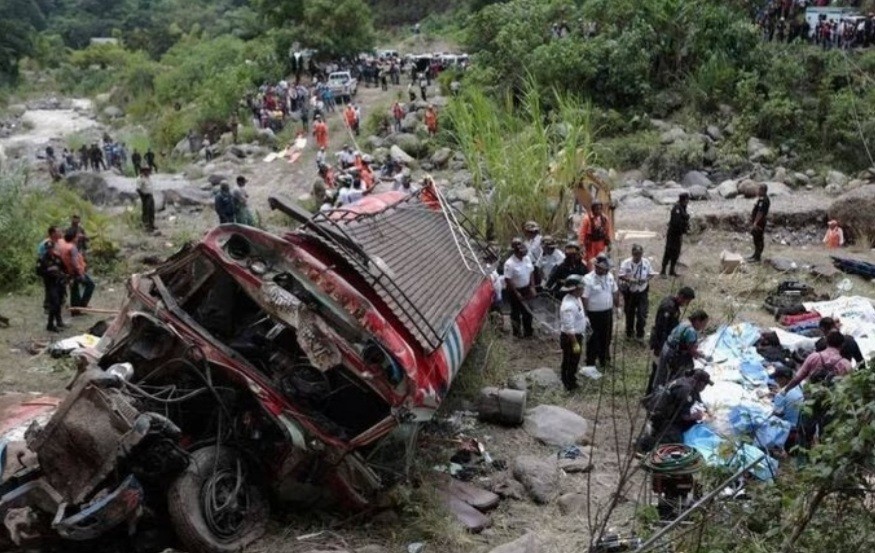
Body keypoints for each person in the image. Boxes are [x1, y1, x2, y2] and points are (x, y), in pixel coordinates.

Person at [647, 287, 696, 393]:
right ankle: (651, 393)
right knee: (657, 370)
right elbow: (662, 329)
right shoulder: (668, 307)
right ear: (681, 296)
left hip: (664, 342)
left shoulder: (674, 306)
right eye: (686, 301)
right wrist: (660, 347)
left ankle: (653, 392)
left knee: (660, 370)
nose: (686, 304)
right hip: (660, 343)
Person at [647, 369, 713, 445]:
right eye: (704, 385)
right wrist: (696, 416)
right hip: (662, 418)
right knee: (677, 442)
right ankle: (646, 442)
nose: (704, 387)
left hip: (667, 413)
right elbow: (685, 416)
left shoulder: (688, 382)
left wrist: (708, 412)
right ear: (699, 383)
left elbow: (699, 400)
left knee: (693, 425)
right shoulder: (685, 390)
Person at [652, 309, 710, 391]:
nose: (703, 327)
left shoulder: (684, 323)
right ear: (697, 321)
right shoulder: (691, 331)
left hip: (666, 348)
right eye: (703, 324)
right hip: (673, 354)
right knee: (683, 371)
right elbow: (692, 351)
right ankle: (670, 391)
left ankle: (655, 392)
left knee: (660, 376)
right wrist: (702, 356)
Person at [582, 253, 619, 367]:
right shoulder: (588, 279)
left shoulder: (610, 276)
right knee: (593, 339)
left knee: (606, 337)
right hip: (593, 314)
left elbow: (615, 291)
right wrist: (585, 314)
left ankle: (604, 360)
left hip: (607, 312)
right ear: (597, 267)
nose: (606, 270)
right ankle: (590, 362)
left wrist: (618, 307)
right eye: (604, 268)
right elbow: (584, 297)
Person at [619, 244, 655, 340]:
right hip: (630, 292)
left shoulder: (646, 262)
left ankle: (640, 334)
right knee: (629, 313)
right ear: (632, 253)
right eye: (636, 254)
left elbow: (651, 274)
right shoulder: (626, 263)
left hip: (642, 291)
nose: (637, 256)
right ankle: (629, 332)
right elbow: (621, 275)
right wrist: (629, 279)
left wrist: (646, 279)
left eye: (639, 254)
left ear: (642, 254)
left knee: (641, 314)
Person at [559, 275, 589, 391]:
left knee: (575, 360)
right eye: (581, 288)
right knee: (569, 360)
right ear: (575, 289)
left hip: (577, 335)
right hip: (570, 338)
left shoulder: (576, 298)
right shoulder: (568, 306)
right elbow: (569, 328)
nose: (583, 290)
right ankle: (568, 383)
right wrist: (575, 343)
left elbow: (580, 313)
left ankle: (571, 378)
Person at [36, 230, 68, 332]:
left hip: (60, 283)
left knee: (59, 303)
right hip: (50, 284)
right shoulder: (42, 259)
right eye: (48, 249)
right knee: (54, 303)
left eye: (51, 248)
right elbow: (38, 272)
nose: (50, 250)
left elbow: (64, 268)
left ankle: (59, 321)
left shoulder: (57, 258)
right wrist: (49, 271)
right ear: (46, 249)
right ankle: (50, 324)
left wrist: (65, 276)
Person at [503, 241, 535, 338]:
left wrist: (532, 287)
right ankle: (517, 333)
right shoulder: (509, 263)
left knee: (528, 312)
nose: (523, 255)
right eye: (521, 253)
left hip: (527, 288)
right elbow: (508, 279)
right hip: (515, 290)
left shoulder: (527, 258)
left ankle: (528, 332)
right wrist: (516, 293)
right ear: (516, 252)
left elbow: (531, 272)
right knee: (516, 313)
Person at [58, 227, 94, 310]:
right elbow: (74, 262)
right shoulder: (72, 248)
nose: (78, 238)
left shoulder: (63, 245)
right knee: (90, 285)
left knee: (74, 289)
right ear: (74, 238)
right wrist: (80, 272)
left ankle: (75, 309)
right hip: (76, 272)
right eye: (77, 237)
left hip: (69, 272)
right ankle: (82, 305)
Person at [660, 192, 690, 277]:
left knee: (676, 252)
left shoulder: (683, 208)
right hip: (673, 234)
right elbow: (676, 223)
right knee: (669, 252)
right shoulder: (677, 209)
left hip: (678, 234)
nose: (688, 201)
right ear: (684, 200)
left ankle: (672, 270)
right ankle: (663, 271)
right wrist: (683, 228)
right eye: (687, 199)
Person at [578, 200, 612, 268]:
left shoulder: (604, 218)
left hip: (601, 244)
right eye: (596, 209)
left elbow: (607, 231)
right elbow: (582, 233)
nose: (598, 211)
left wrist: (609, 243)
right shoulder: (587, 218)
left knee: (600, 260)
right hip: (590, 245)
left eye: (600, 209)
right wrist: (581, 245)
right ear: (593, 209)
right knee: (590, 263)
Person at [748, 183, 770, 262]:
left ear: (763, 190)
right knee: (755, 238)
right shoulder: (761, 199)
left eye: (760, 189)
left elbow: (760, 213)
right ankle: (755, 254)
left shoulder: (764, 200)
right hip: (757, 221)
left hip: (760, 222)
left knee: (759, 238)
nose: (758, 191)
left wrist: (755, 222)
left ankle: (757, 257)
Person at [136, 166, 156, 232]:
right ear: (143, 171)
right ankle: (147, 226)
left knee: (152, 210)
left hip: (150, 195)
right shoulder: (140, 178)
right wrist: (143, 197)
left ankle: (152, 224)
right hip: (145, 196)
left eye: (148, 170)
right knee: (146, 210)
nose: (147, 171)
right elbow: (138, 189)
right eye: (145, 170)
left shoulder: (149, 177)